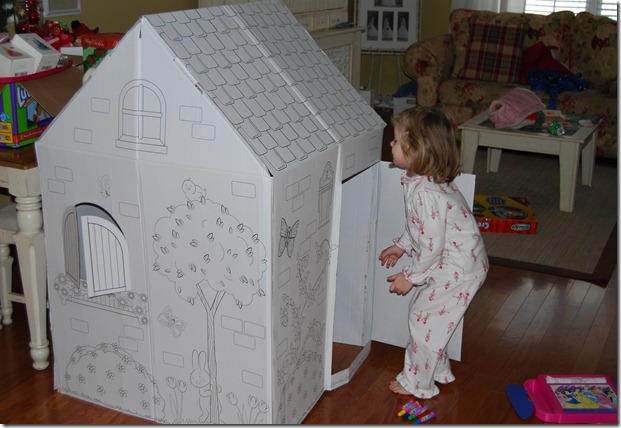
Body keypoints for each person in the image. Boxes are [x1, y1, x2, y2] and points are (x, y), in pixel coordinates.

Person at [378, 106, 488, 399]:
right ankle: (437, 370)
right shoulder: (424, 181)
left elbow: (431, 245)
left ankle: (418, 383)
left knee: (421, 317)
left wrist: (410, 277)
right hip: (459, 262)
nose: (391, 143)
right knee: (432, 317)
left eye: (397, 140)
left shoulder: (426, 192)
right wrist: (402, 245)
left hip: (458, 267)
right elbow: (421, 227)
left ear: (415, 150)